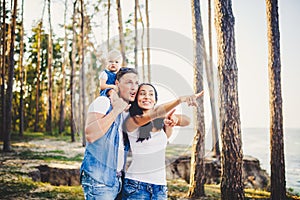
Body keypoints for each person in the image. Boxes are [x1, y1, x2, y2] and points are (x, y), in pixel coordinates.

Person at [122, 83, 204, 200]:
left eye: (151, 94)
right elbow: (155, 113)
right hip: (136, 185)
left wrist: (174, 119)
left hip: (160, 187)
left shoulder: (160, 119)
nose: (147, 97)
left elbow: (187, 121)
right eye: (142, 94)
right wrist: (179, 100)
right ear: (135, 99)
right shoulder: (131, 120)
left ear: (155, 100)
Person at [80, 67, 139, 200]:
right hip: (99, 180)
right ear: (117, 84)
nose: (134, 87)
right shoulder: (104, 102)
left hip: (117, 180)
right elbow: (90, 135)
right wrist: (115, 111)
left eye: (136, 83)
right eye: (129, 82)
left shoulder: (126, 111)